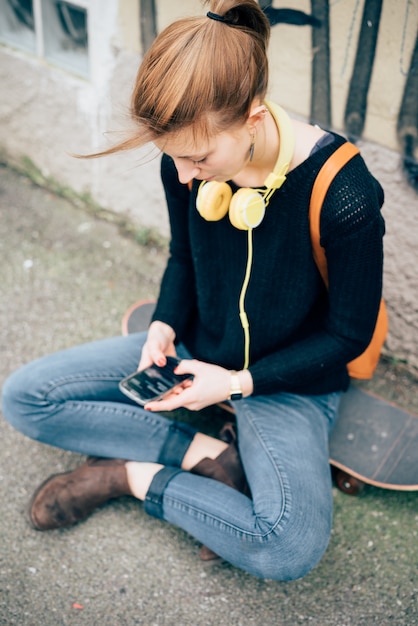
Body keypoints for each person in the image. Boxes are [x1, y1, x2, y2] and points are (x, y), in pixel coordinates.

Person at [1, 0, 385, 581]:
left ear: (253, 120)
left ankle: (130, 475)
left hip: (289, 384)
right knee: (25, 397)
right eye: (172, 158)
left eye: (198, 158)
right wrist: (164, 321)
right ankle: (207, 456)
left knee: (288, 549)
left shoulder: (345, 193)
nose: (182, 175)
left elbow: (349, 334)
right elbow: (184, 254)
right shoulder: (182, 161)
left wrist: (235, 384)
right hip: (196, 351)